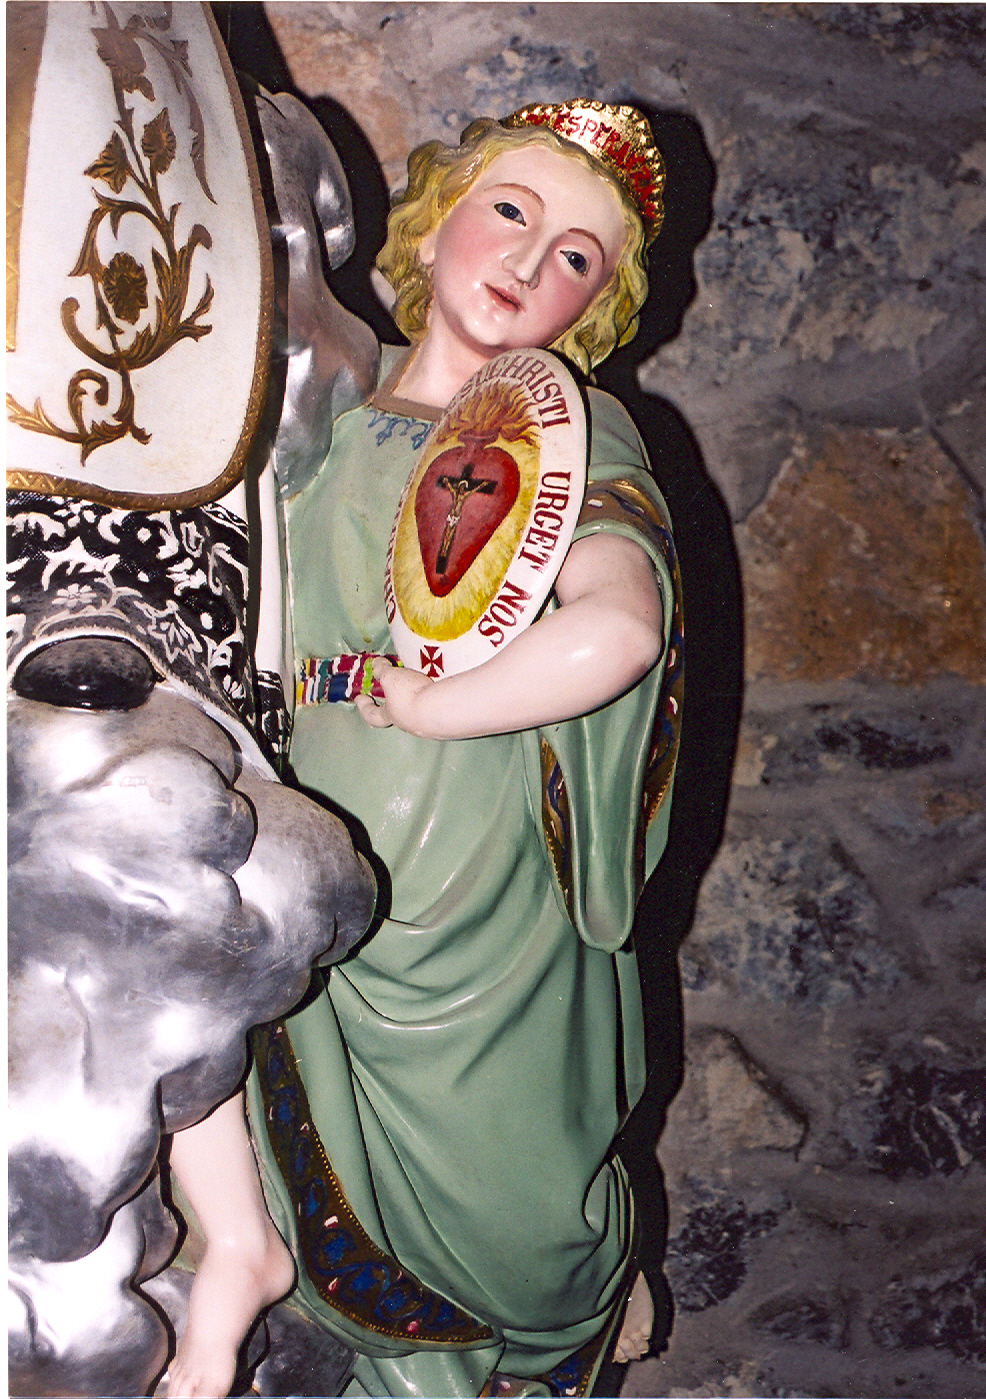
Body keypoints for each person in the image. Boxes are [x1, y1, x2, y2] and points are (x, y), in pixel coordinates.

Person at [168, 99, 684, 1397]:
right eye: (509, 211)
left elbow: (620, 627)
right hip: (307, 817)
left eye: (577, 257)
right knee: (262, 1072)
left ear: (597, 307)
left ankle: (566, 1312)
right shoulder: (318, 407)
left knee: (516, 1207)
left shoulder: (568, 434)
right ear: (438, 217)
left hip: (481, 873)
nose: (528, 260)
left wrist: (442, 707)